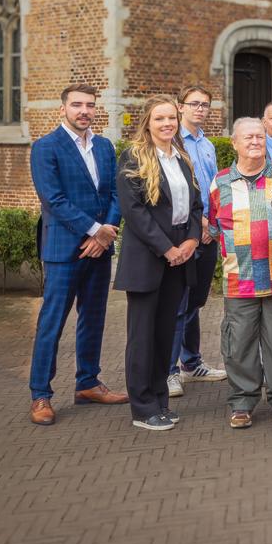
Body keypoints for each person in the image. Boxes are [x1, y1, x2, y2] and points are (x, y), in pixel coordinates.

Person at [28, 84, 127, 425]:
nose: (84, 110)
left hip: (99, 248)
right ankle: (41, 394)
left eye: (89, 105)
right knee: (51, 324)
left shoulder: (104, 146)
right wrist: (93, 230)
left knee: (94, 318)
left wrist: (105, 232)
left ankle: (87, 382)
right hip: (63, 250)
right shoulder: (45, 147)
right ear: (63, 109)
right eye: (76, 105)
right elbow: (52, 200)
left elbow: (116, 192)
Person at [113, 95, 203, 431]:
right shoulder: (133, 157)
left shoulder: (180, 158)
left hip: (179, 260)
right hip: (148, 260)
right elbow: (134, 212)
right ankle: (142, 407)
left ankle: (159, 401)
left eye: (171, 118)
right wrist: (167, 248)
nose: (167, 124)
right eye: (159, 119)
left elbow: (195, 205)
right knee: (142, 336)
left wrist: (192, 240)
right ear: (147, 123)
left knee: (165, 334)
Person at [210, 118, 272, 430]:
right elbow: (211, 226)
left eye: (259, 136)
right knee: (239, 344)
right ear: (234, 143)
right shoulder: (219, 183)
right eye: (248, 137)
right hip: (239, 279)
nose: (255, 142)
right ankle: (242, 402)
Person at [166, 85, 225, 399]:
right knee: (178, 304)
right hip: (187, 233)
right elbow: (180, 193)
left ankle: (191, 363)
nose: (200, 109)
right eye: (194, 104)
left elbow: (213, 188)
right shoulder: (173, 143)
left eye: (205, 105)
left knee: (196, 302)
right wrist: (200, 224)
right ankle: (170, 371)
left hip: (209, 233)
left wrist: (213, 225)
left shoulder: (207, 145)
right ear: (180, 106)